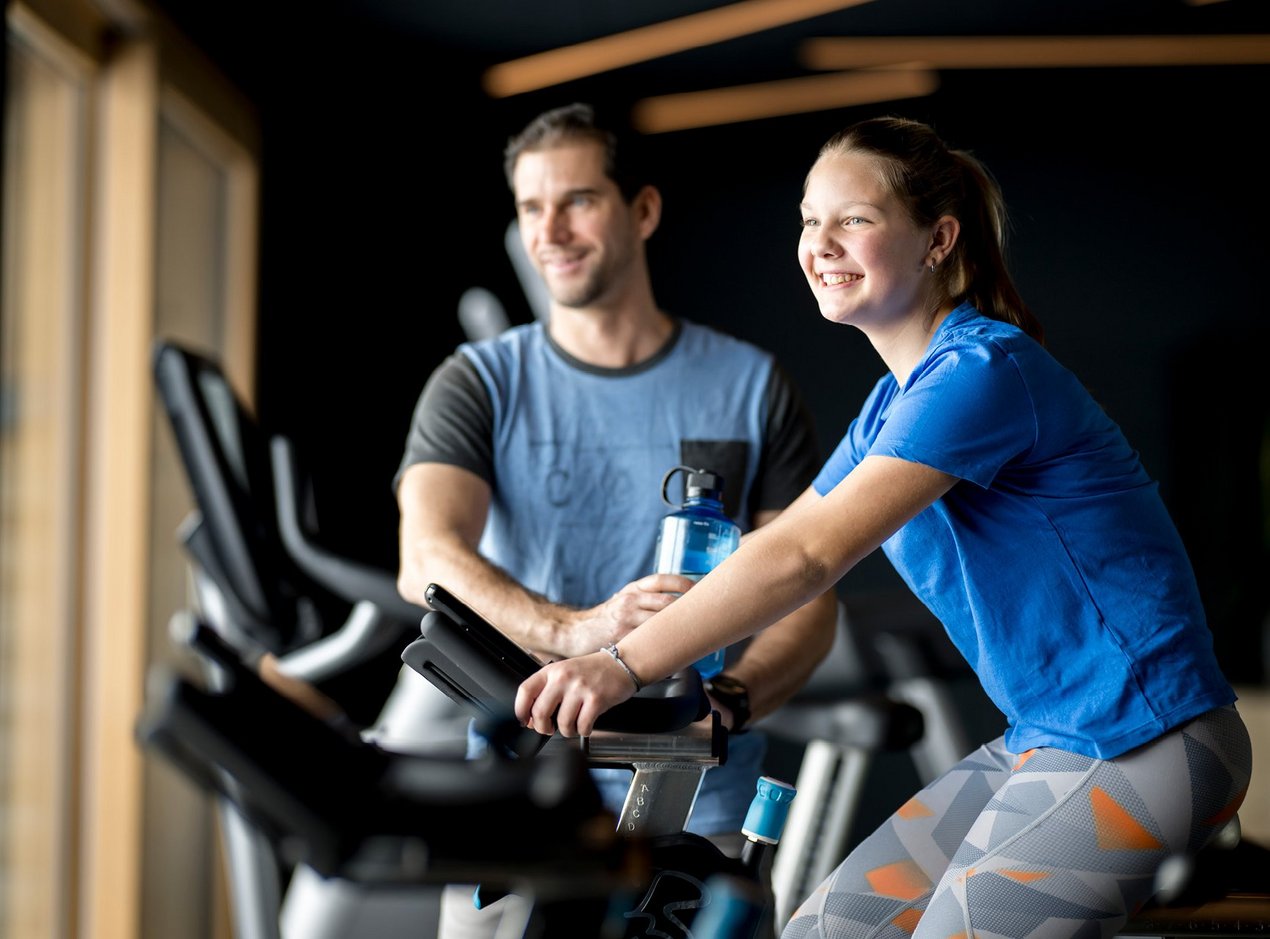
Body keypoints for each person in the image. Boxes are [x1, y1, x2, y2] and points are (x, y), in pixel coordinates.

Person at [514, 115, 1253, 939]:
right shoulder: (889, 406)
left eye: (853, 220)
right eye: (807, 219)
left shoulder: (982, 370)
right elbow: (779, 542)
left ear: (937, 239)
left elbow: (808, 558)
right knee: (824, 930)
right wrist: (644, 655)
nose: (819, 243)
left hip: (1146, 737)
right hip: (1043, 740)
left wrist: (618, 665)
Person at [394, 102, 839, 936]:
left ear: (642, 210)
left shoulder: (751, 385)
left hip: (698, 806)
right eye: (532, 207)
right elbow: (426, 552)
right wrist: (580, 631)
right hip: (522, 800)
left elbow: (809, 596)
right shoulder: (479, 383)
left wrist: (731, 702)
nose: (551, 229)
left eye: (579, 201)